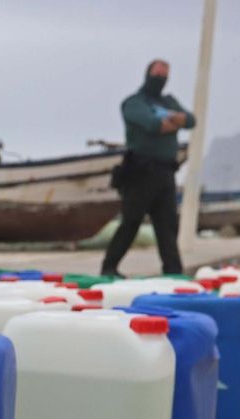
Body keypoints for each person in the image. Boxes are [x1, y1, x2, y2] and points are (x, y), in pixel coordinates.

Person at [102, 60, 194, 277]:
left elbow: (190, 120)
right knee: (131, 222)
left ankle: (173, 271)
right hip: (140, 172)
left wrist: (170, 121)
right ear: (148, 74)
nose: (161, 79)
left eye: (165, 75)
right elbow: (152, 125)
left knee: (167, 226)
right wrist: (173, 121)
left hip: (166, 172)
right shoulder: (134, 103)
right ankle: (109, 267)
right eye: (157, 74)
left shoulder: (169, 100)